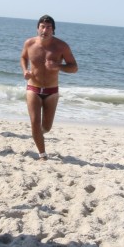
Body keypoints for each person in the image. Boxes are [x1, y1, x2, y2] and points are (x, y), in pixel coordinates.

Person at [20, 15, 78, 159]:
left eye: (48, 27)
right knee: (35, 122)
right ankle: (42, 155)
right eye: (42, 27)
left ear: (53, 30)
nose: (45, 30)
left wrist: (58, 66)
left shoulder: (61, 46)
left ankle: (37, 134)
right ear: (37, 28)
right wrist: (25, 70)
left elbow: (74, 68)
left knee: (46, 127)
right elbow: (23, 57)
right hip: (33, 88)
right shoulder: (29, 43)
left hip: (51, 92)